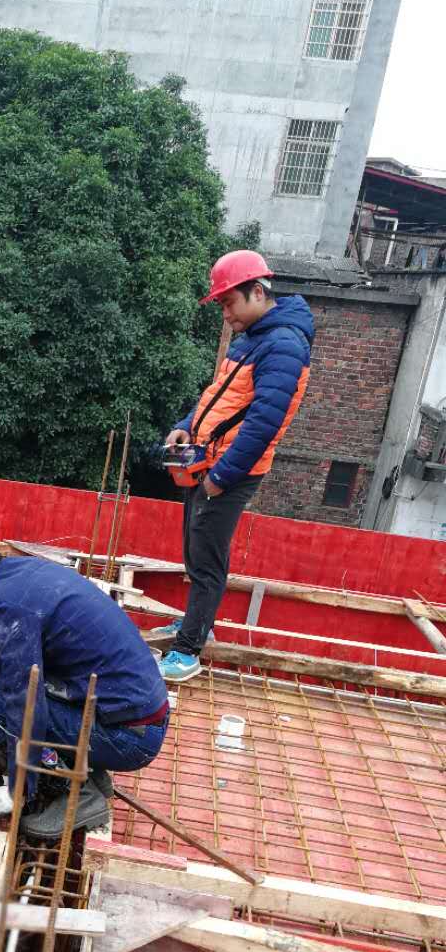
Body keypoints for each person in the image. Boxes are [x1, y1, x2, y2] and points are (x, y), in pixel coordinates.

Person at [0, 516, 169, 840]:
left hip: (129, 739)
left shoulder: (4, 608)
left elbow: (24, 702)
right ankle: (89, 774)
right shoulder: (19, 574)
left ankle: (79, 795)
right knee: (5, 693)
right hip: (136, 717)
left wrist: (16, 788)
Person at [159, 250, 314, 684]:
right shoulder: (253, 338)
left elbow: (264, 424)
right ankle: (197, 623)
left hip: (231, 471)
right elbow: (220, 396)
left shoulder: (283, 345)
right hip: (209, 461)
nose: (226, 314)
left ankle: (188, 651)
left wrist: (221, 478)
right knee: (196, 550)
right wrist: (185, 425)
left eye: (229, 303)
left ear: (257, 292)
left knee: (207, 559)